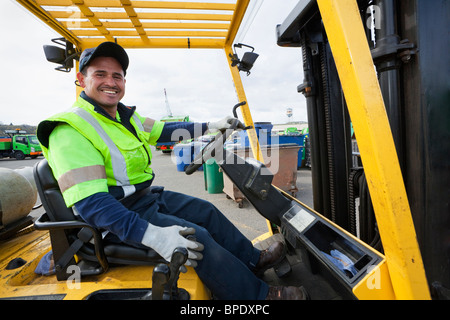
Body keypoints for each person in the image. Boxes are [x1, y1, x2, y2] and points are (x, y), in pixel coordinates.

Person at [37, 41, 308, 300]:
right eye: (100, 74)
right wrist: (151, 235)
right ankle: (257, 297)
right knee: (197, 239)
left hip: (144, 200)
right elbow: (93, 204)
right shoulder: (70, 129)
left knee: (207, 211)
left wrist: (211, 125)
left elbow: (167, 131)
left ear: (124, 82)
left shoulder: (123, 116)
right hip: (113, 219)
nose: (111, 82)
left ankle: (253, 260)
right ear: (82, 80)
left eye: (117, 76)